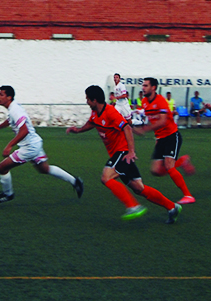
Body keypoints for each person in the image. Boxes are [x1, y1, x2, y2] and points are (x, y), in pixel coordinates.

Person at [67, 85, 182, 223]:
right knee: (139, 188)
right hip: (118, 154)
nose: (86, 102)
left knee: (106, 177)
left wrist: (131, 151)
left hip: (122, 152)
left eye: (88, 99)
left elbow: (127, 128)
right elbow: (92, 123)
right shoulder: (95, 113)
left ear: (95, 100)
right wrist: (78, 130)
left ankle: (133, 206)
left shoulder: (110, 112)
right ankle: (172, 207)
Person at [0, 85, 83, 202]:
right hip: (35, 142)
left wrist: (9, 145)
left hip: (29, 147)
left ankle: (8, 194)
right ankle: (75, 181)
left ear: (9, 97)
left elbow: (24, 130)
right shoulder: (13, 108)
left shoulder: (15, 110)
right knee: (44, 169)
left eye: (1, 94)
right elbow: (10, 121)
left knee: (2, 168)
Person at [132, 77, 195, 205]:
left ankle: (188, 195)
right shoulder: (144, 102)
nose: (143, 88)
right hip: (160, 138)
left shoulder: (160, 101)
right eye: (143, 85)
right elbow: (152, 119)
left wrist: (144, 129)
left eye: (145, 85)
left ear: (153, 87)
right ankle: (182, 161)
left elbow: (162, 121)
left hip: (172, 136)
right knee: (156, 171)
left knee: (169, 166)